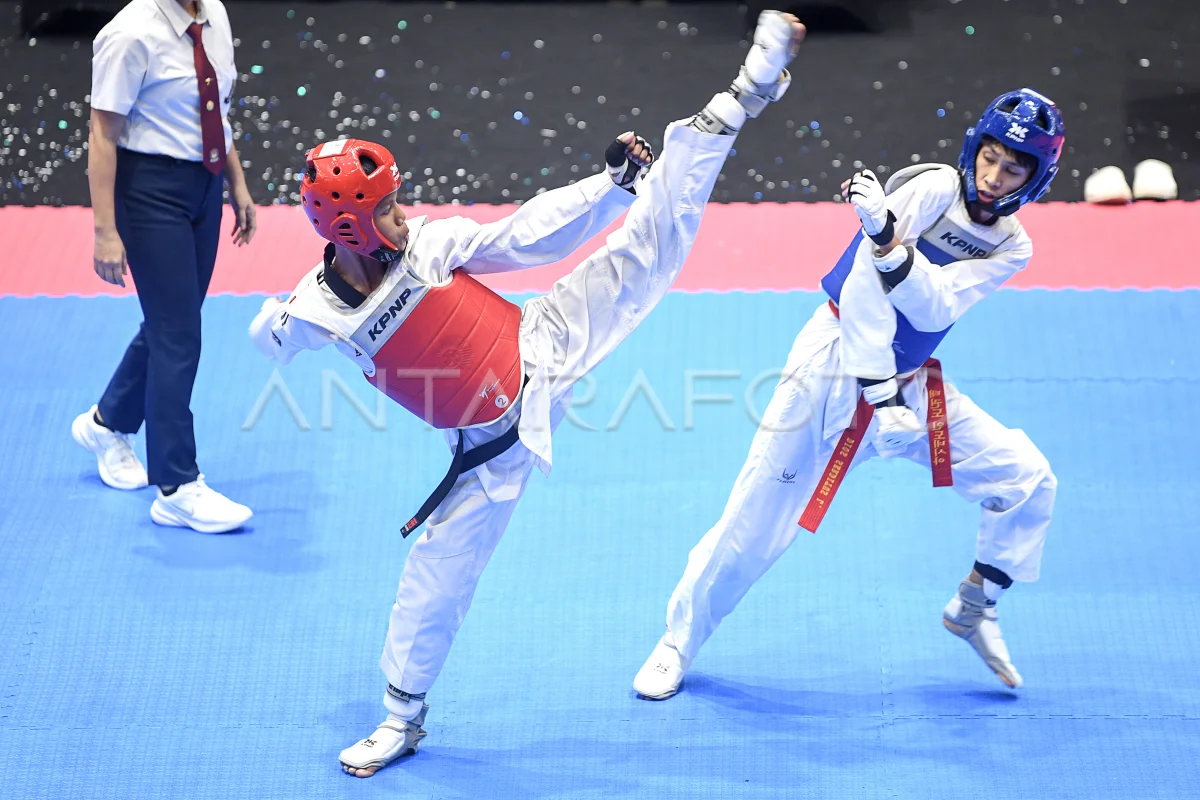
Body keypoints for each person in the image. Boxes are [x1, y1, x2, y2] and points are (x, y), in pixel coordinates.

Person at [247, 11, 806, 776]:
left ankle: (739, 97)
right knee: (435, 579)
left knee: (649, 249)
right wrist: (276, 322)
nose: (402, 214)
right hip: (489, 453)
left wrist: (608, 188)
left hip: (543, 345)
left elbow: (523, 235)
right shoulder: (319, 312)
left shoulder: (429, 247)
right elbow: (270, 341)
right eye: (385, 209)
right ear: (347, 228)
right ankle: (401, 719)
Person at [633, 89, 1065, 700]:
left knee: (1026, 478)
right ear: (974, 148)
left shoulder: (1011, 244)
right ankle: (678, 642)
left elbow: (939, 305)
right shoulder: (934, 188)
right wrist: (878, 385)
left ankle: (975, 605)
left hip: (912, 387)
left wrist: (891, 245)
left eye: (1013, 168)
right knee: (753, 525)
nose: (994, 176)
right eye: (990, 157)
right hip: (833, 369)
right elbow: (864, 288)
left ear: (1035, 178)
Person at [72, 0, 257, 533]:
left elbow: (215, 109)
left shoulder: (214, 14)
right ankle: (176, 486)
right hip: (149, 193)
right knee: (179, 335)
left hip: (205, 186)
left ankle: (107, 421)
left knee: (171, 322)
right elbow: (102, 134)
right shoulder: (130, 33)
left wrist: (237, 183)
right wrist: (105, 231)